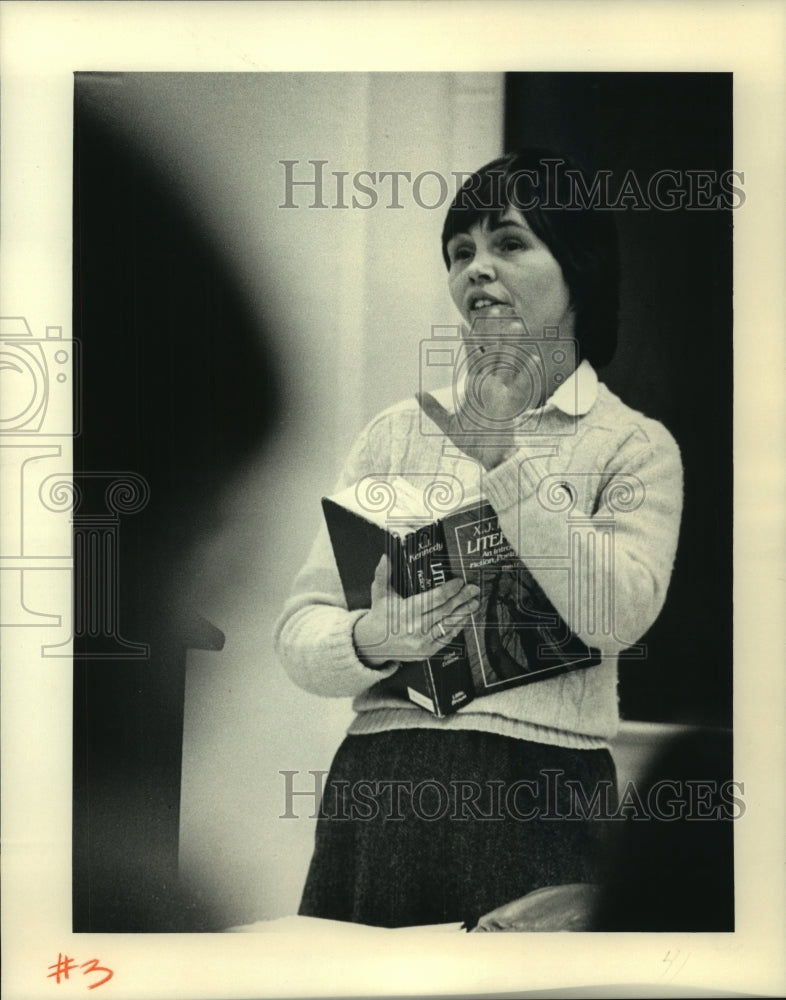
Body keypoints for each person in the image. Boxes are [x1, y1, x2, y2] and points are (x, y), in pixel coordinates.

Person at [274, 148, 683, 930]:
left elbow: (618, 612)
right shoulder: (396, 431)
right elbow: (298, 629)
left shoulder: (634, 445)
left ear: (580, 268)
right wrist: (369, 635)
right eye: (461, 252)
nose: (476, 270)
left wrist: (503, 458)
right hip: (379, 786)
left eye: (509, 243)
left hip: (541, 792)